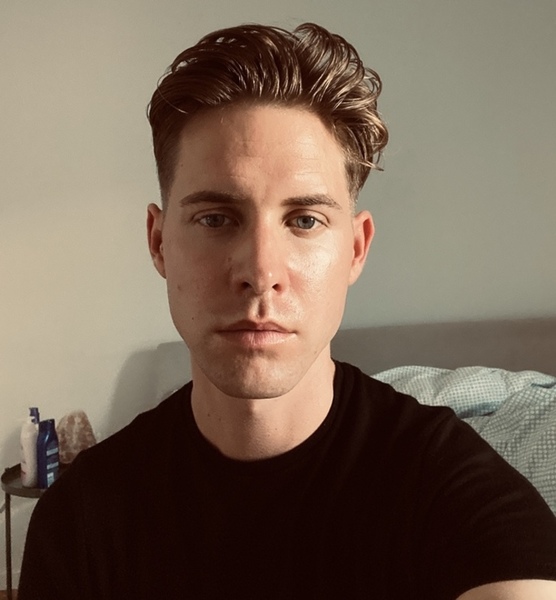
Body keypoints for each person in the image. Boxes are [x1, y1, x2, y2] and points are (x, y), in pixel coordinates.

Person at [18, 22, 556, 600]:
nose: (260, 270)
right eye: (216, 218)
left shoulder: (451, 488)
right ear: (158, 243)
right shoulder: (80, 520)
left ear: (356, 249)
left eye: (304, 220)